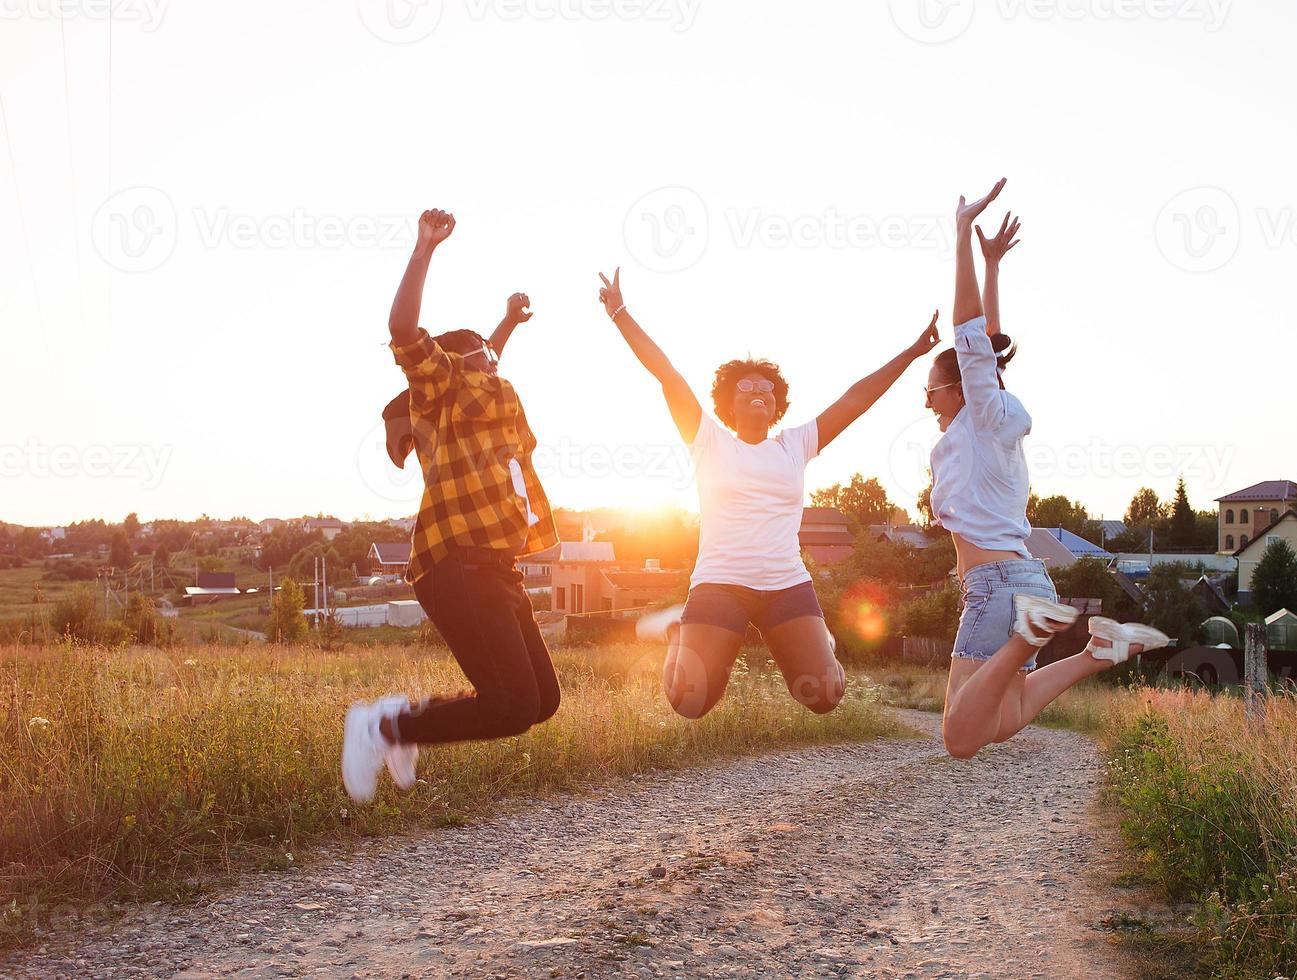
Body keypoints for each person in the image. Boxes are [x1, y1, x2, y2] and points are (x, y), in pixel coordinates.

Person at [596, 265, 939, 719]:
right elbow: (668, 375)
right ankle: (680, 631)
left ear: (777, 404)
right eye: (746, 387)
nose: (758, 391)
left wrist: (913, 352)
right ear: (728, 403)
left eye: (766, 388)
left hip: (784, 583)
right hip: (721, 583)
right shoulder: (708, 439)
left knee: (823, 695)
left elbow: (855, 401)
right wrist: (620, 313)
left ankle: (822, 646)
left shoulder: (795, 444)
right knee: (689, 700)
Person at [927, 181, 1168, 760]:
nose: (928, 403)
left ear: (957, 387)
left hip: (994, 588)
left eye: (931, 391)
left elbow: (971, 338)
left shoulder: (981, 416)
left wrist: (960, 238)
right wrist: (992, 266)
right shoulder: (996, 422)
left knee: (961, 737)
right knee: (1003, 718)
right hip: (1029, 582)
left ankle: (1033, 634)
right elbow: (986, 345)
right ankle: (1098, 653)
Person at [341, 208, 560, 804]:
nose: (491, 359)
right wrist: (424, 250)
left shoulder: (495, 392)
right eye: (480, 356)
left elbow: (489, 350)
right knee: (512, 706)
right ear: (454, 364)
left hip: (497, 565)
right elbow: (406, 331)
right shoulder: (443, 388)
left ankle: (405, 722)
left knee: (541, 702)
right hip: (457, 563)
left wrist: (508, 322)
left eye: (493, 356)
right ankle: (384, 725)